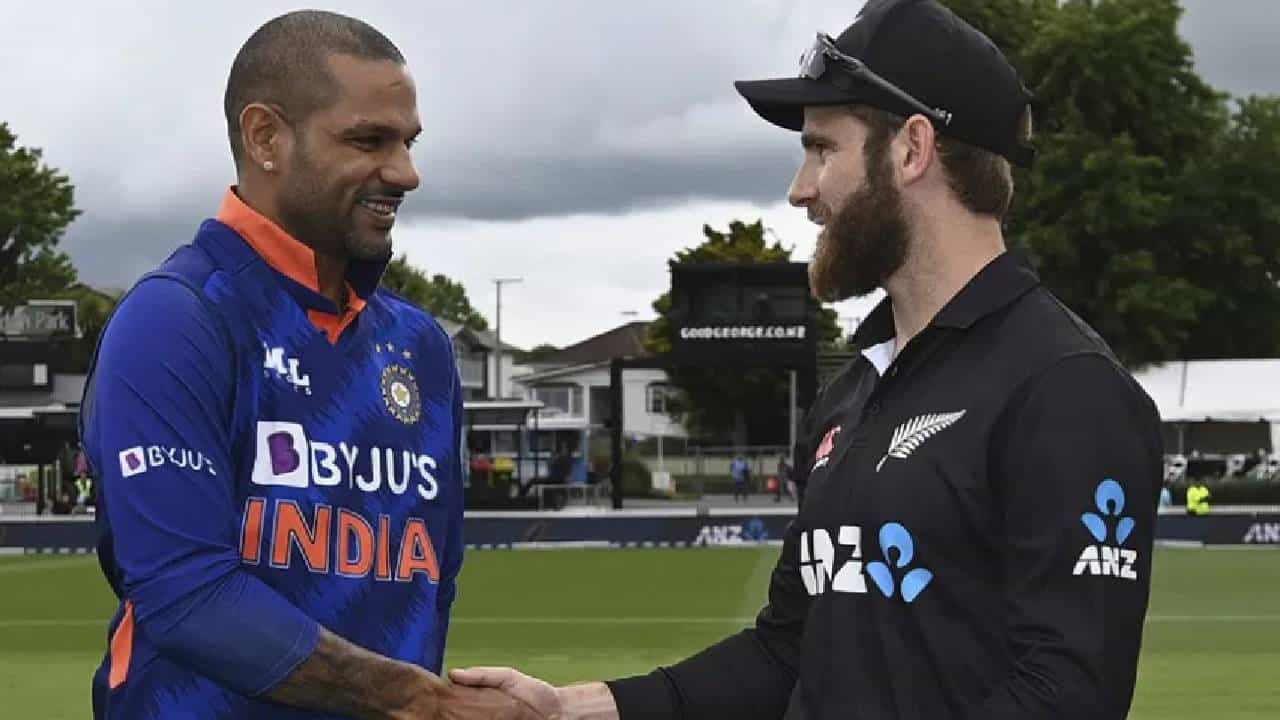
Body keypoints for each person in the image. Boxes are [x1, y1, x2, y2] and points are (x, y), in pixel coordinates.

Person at [451, 1, 1162, 718]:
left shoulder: (1066, 387)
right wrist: (572, 708)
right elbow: (789, 650)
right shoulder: (851, 392)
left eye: (823, 150)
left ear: (912, 149)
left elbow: (1068, 692)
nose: (800, 189)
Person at [80, 11, 535, 719]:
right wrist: (417, 700)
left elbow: (433, 581)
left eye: (409, 142)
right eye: (368, 140)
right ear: (266, 137)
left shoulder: (421, 345)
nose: (406, 173)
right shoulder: (176, 318)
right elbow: (187, 592)